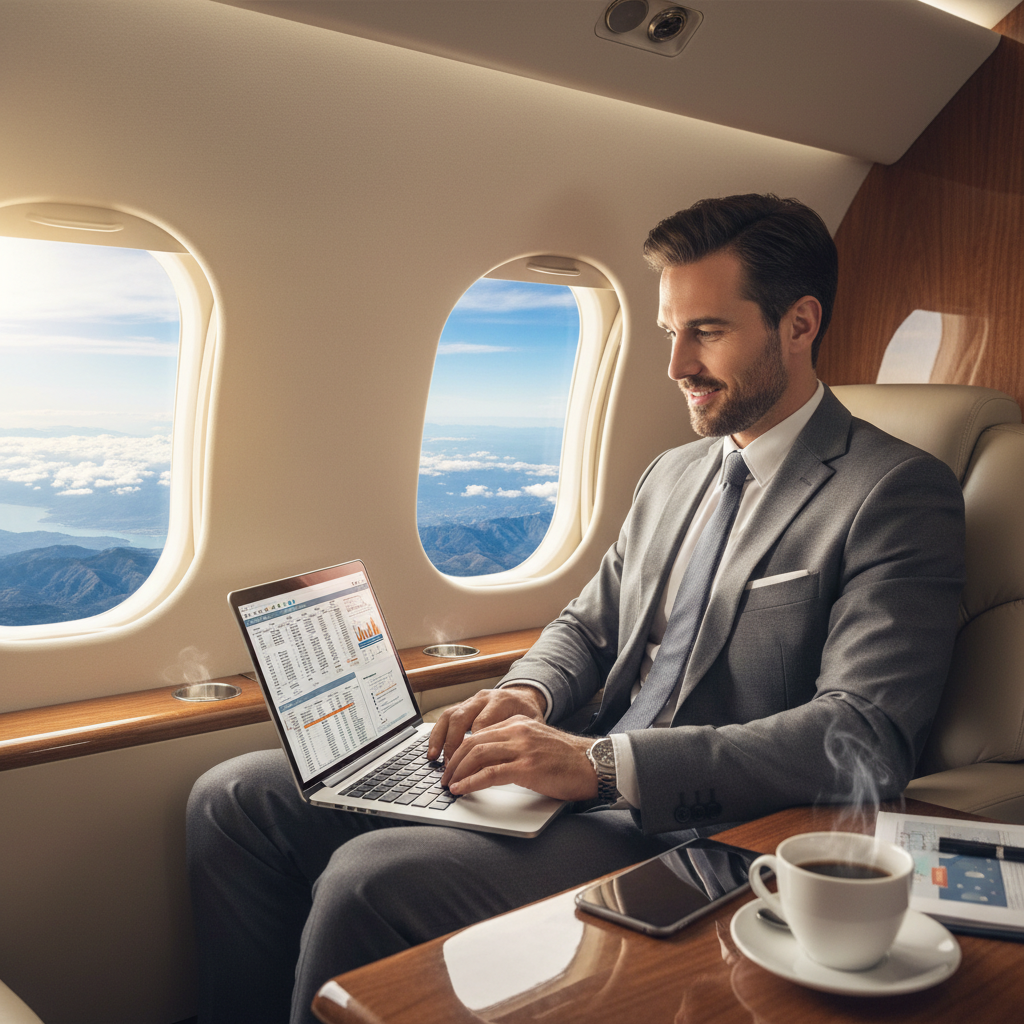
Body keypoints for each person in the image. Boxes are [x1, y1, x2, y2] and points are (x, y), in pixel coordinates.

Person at [187, 194, 965, 1024]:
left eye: (707, 331)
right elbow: (587, 628)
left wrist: (599, 766)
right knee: (235, 800)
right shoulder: (673, 474)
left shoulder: (893, 491)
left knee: (366, 880)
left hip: (686, 832)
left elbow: (863, 733)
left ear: (800, 324)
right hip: (574, 768)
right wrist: (524, 698)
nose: (676, 366)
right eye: (672, 333)